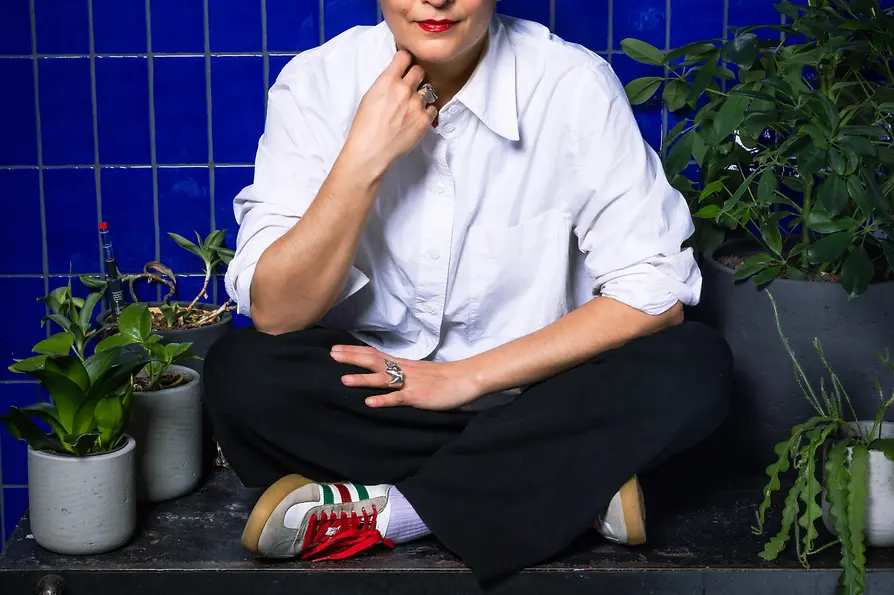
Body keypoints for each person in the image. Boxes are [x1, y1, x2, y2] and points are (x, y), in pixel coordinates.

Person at [203, 0, 733, 584]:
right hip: (385, 402)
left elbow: (656, 288)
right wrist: (362, 161)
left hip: (544, 396)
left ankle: (393, 514)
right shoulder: (316, 83)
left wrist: (464, 377)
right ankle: (562, 484)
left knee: (695, 365)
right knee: (240, 372)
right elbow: (277, 312)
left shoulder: (571, 83)